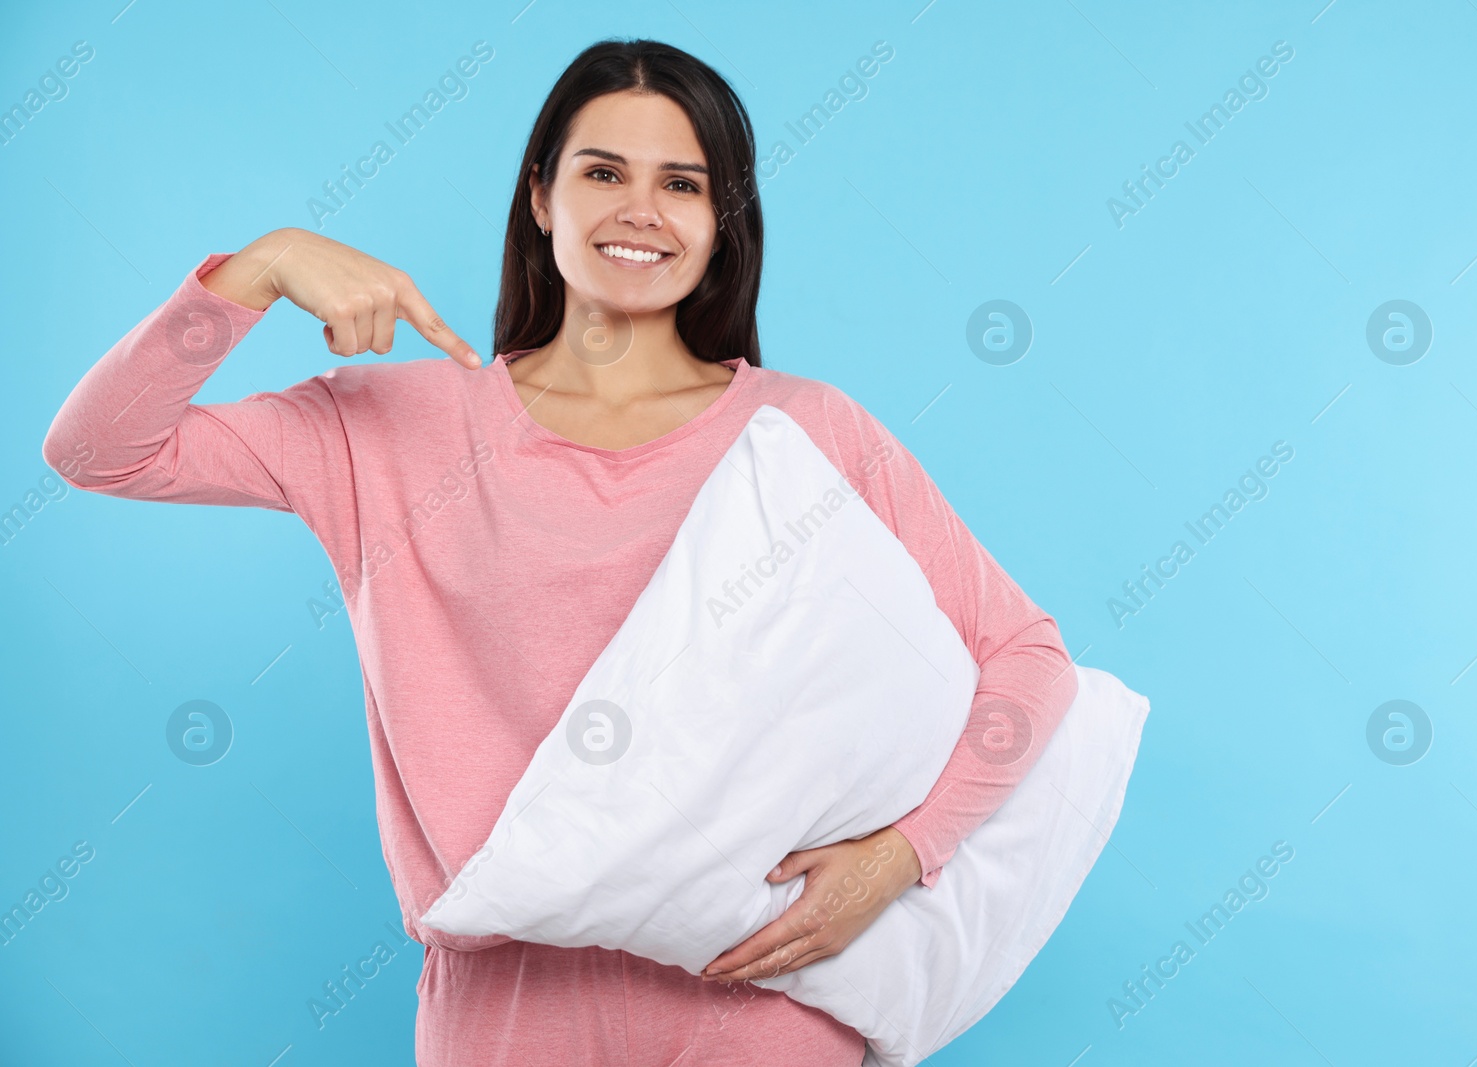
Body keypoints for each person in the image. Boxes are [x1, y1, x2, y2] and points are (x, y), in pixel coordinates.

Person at [42, 37, 1077, 1067]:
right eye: (602, 172)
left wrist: (900, 857)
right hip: (506, 1006)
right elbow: (96, 448)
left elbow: (1026, 655)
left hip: (760, 1001)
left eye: (682, 182)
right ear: (540, 196)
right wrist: (256, 267)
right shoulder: (389, 428)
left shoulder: (808, 431)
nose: (641, 209)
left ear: (723, 219)